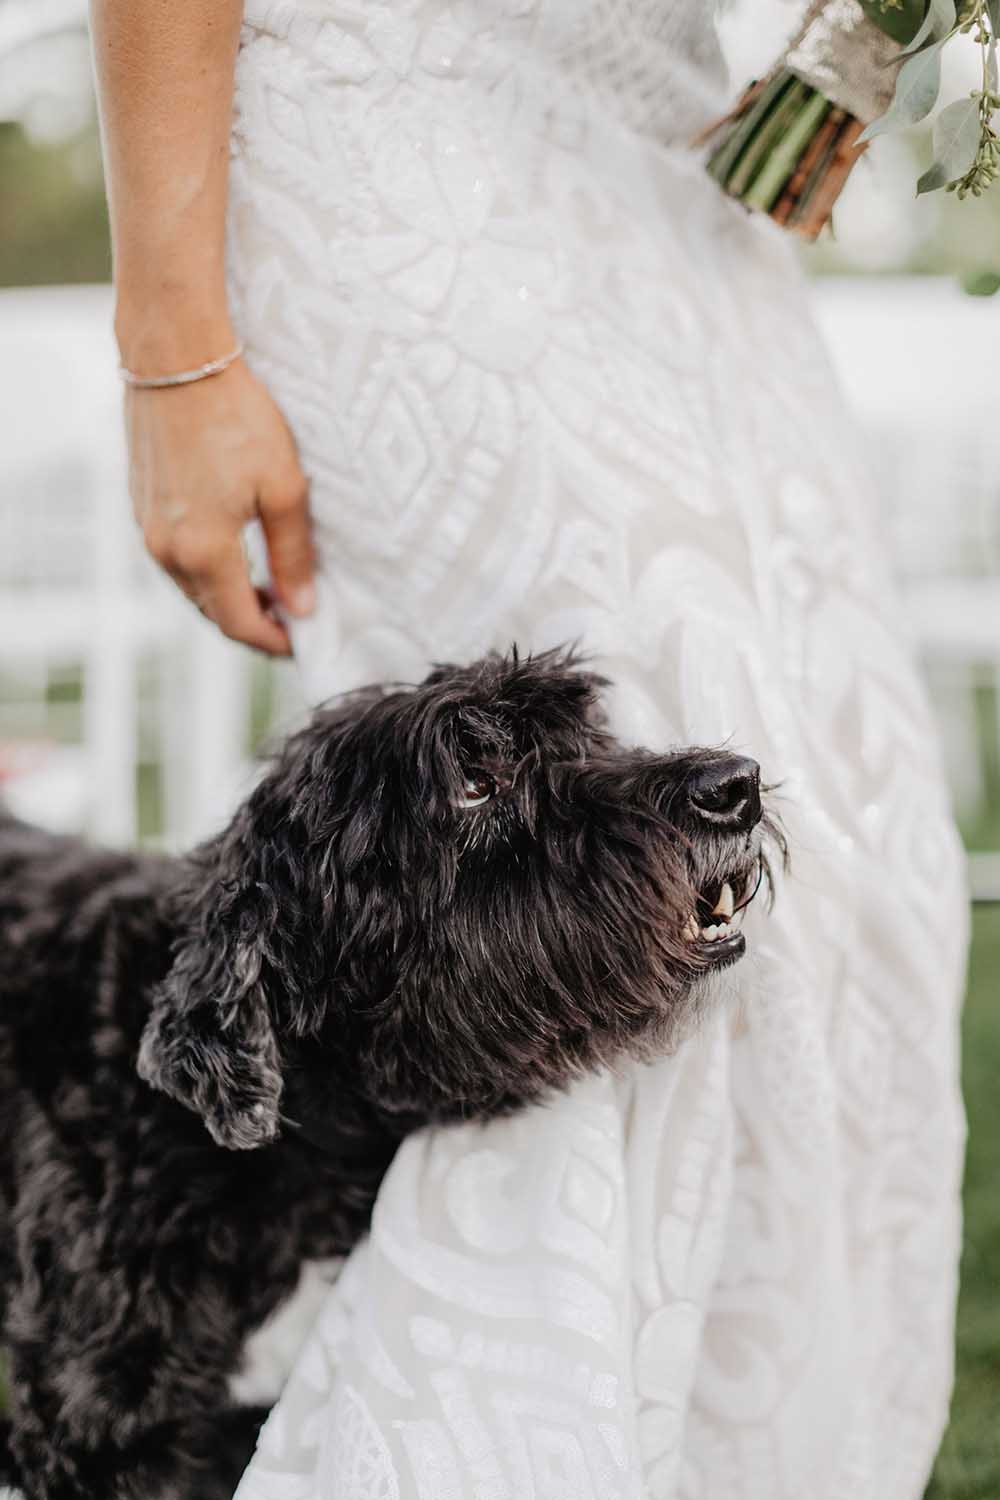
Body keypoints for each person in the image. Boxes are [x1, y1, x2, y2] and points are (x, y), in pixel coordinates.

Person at [91, 2, 968, 1496]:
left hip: (675, 151)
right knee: (575, 927)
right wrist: (173, 348)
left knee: (873, 874)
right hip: (397, 128)